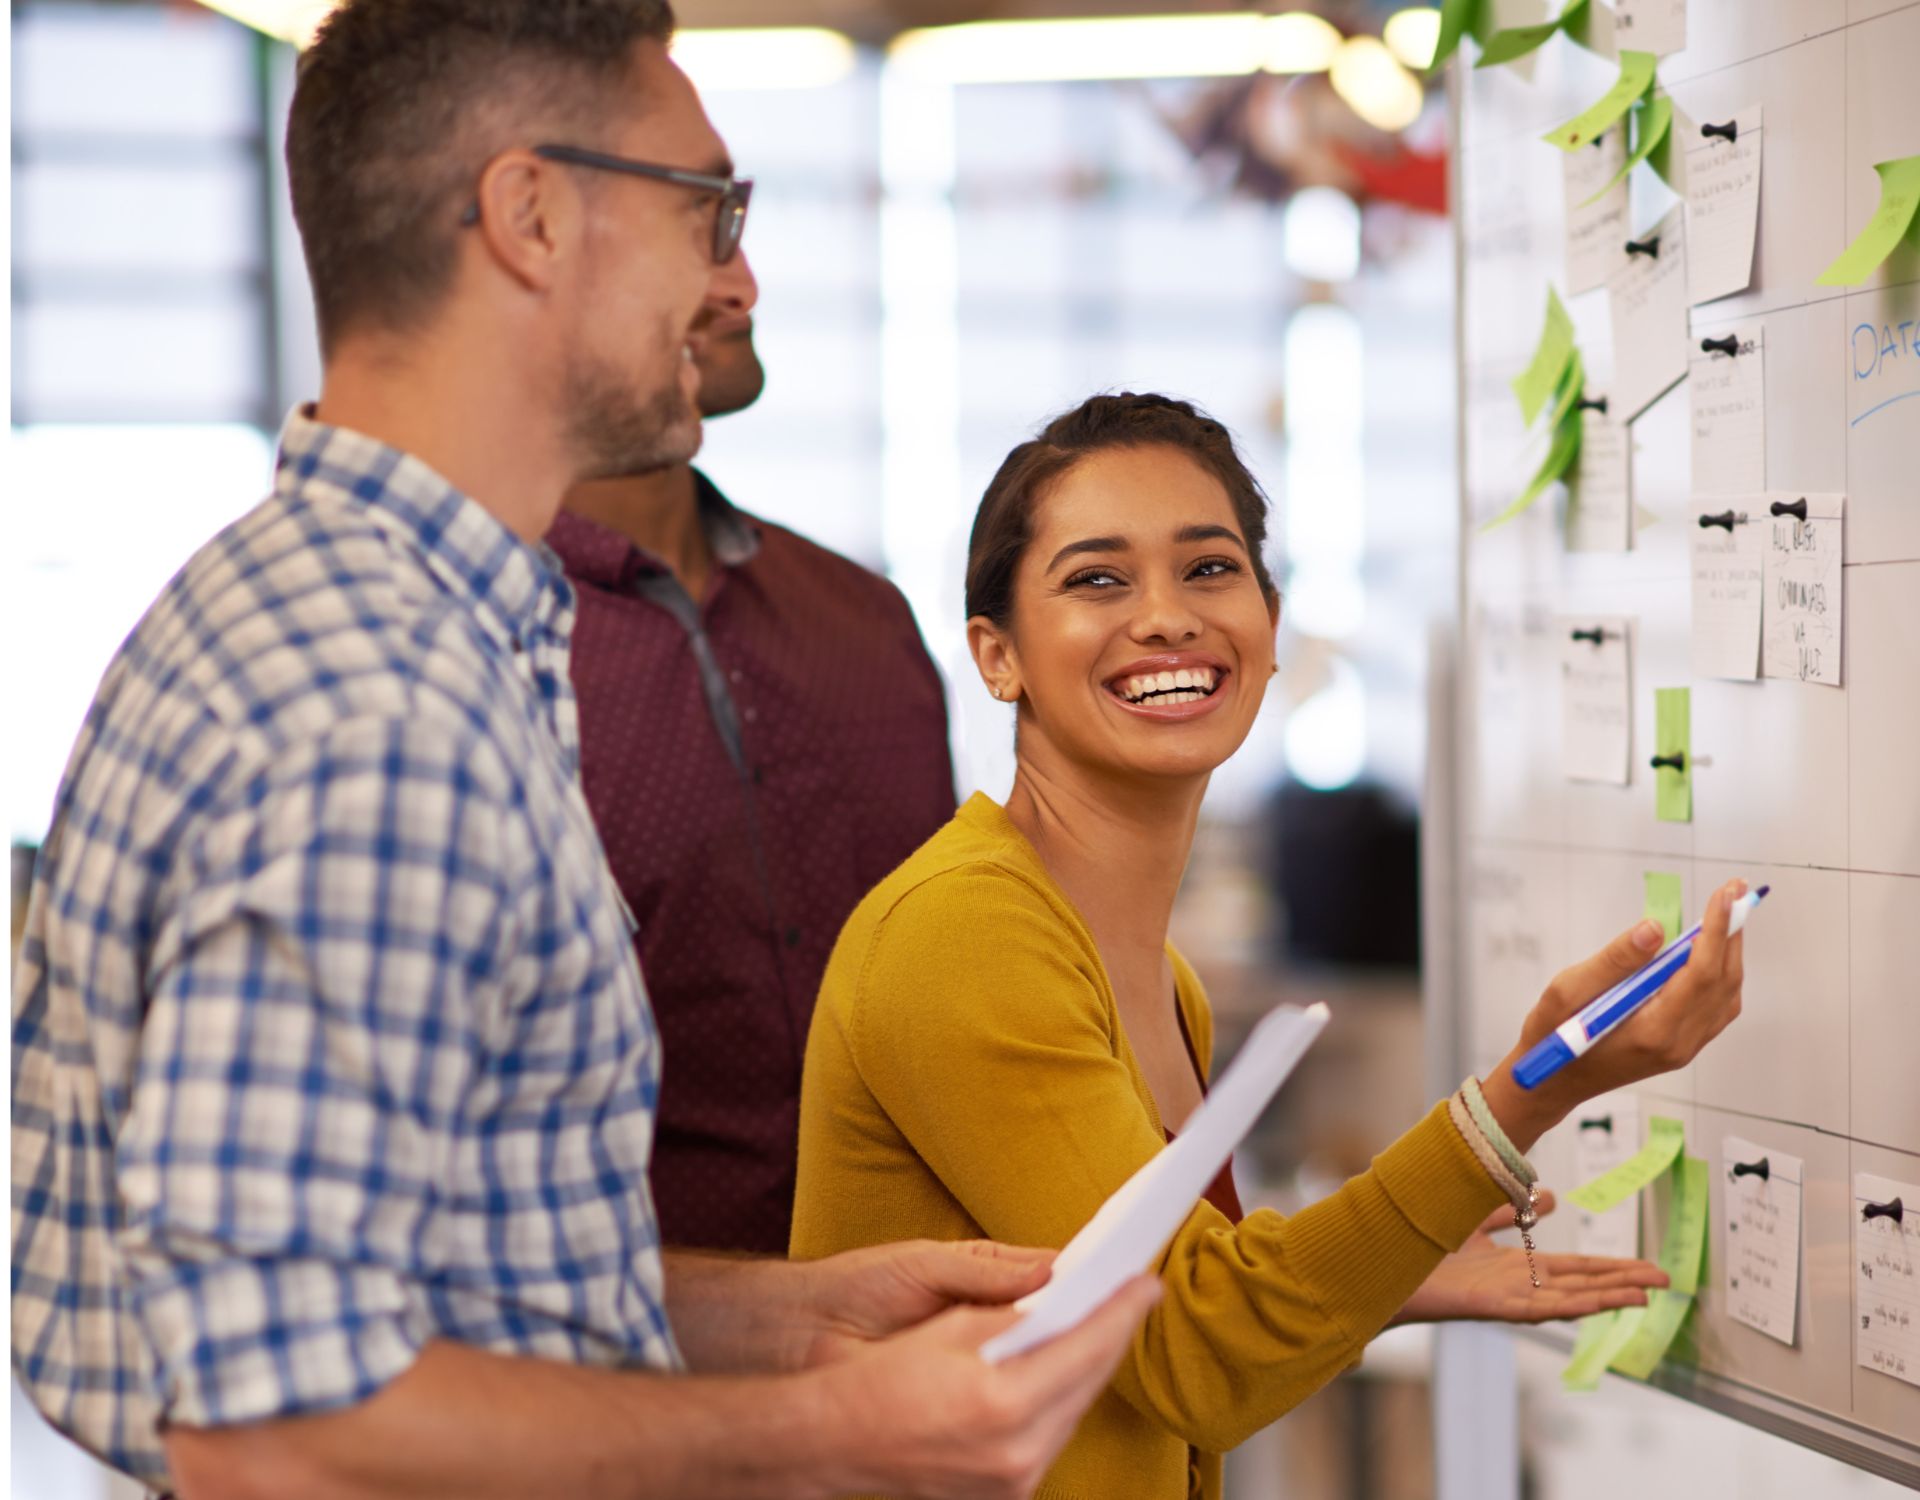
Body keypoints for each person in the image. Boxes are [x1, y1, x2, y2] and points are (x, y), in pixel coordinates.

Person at [8, 6, 1157, 1497]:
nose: (732, 277)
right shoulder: (376, 708)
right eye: (708, 207)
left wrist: (785, 1325)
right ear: (533, 214)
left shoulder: (343, 615)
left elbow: (427, 1290)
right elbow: (273, 1431)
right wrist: (837, 1434)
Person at [791, 393, 1747, 1500]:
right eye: (1098, 579)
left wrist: (1392, 1271)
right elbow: (1199, 1356)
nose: (1165, 617)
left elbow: (1175, 1301)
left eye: (1208, 570)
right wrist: (1526, 1097)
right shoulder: (963, 930)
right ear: (996, 656)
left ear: (1269, 621)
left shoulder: (1163, 978)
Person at [551, 252, 954, 1255]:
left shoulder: (860, 621)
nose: (744, 289)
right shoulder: (462, 660)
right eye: (692, 238)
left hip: (938, 1347)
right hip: (616, 1378)